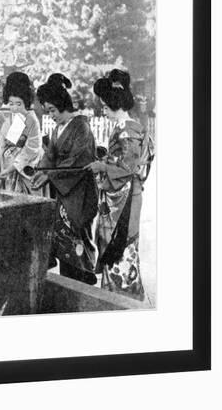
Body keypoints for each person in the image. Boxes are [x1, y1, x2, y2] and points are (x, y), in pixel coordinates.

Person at [84, 69, 153, 300]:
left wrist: (103, 167)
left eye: (104, 107)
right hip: (118, 194)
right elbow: (122, 162)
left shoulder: (128, 129)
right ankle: (112, 293)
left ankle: (125, 297)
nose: (103, 112)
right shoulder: (124, 127)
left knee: (123, 246)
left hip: (125, 198)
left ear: (114, 104)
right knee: (113, 244)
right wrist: (105, 160)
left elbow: (128, 168)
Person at [32, 74, 98, 285]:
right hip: (62, 191)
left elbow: (79, 161)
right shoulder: (57, 130)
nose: (50, 115)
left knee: (77, 233)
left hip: (79, 191)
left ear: (63, 105)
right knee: (62, 237)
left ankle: (84, 282)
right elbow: (49, 157)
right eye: (47, 111)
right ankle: (69, 282)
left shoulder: (81, 127)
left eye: (52, 110)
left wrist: (50, 174)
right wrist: (40, 171)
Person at [0, 72, 43, 194]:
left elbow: (31, 150)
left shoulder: (30, 118)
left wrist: (8, 168)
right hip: (10, 171)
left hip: (24, 173)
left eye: (18, 103)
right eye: (11, 104)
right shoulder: (14, 117)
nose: (14, 108)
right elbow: (5, 146)